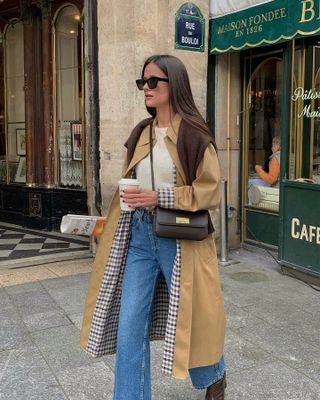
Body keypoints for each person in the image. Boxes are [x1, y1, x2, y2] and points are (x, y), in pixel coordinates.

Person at [80, 55, 226, 400]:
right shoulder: (141, 132)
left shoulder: (194, 134)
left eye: (152, 82)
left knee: (190, 318)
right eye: (142, 82)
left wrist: (157, 195)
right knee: (130, 324)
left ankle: (215, 375)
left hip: (181, 238)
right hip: (140, 236)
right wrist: (124, 203)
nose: (145, 88)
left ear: (173, 84)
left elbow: (210, 191)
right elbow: (133, 182)